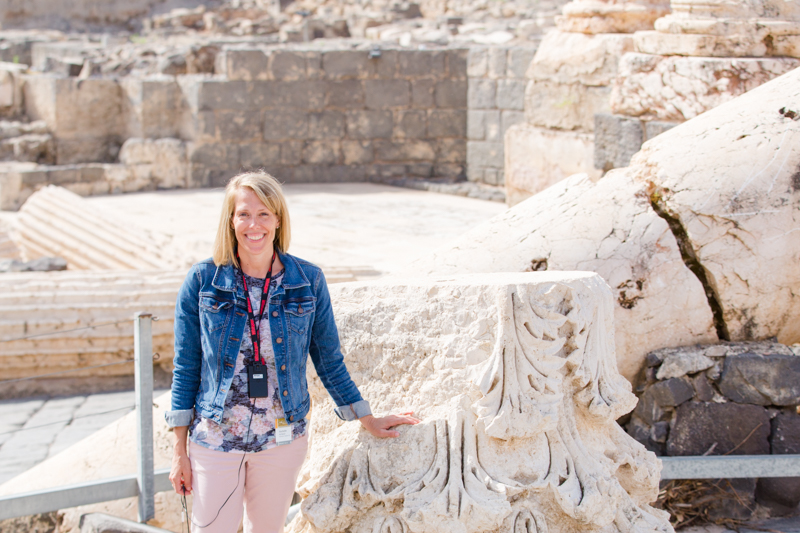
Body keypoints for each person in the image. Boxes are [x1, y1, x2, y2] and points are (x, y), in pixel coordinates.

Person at [166, 171, 418, 533]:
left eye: (264, 214)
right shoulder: (203, 281)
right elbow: (186, 367)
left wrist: (367, 417)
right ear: (230, 220)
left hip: (281, 440)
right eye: (244, 214)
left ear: (278, 219)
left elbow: (329, 360)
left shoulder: (308, 281)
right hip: (215, 440)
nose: (254, 224)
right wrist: (179, 451)